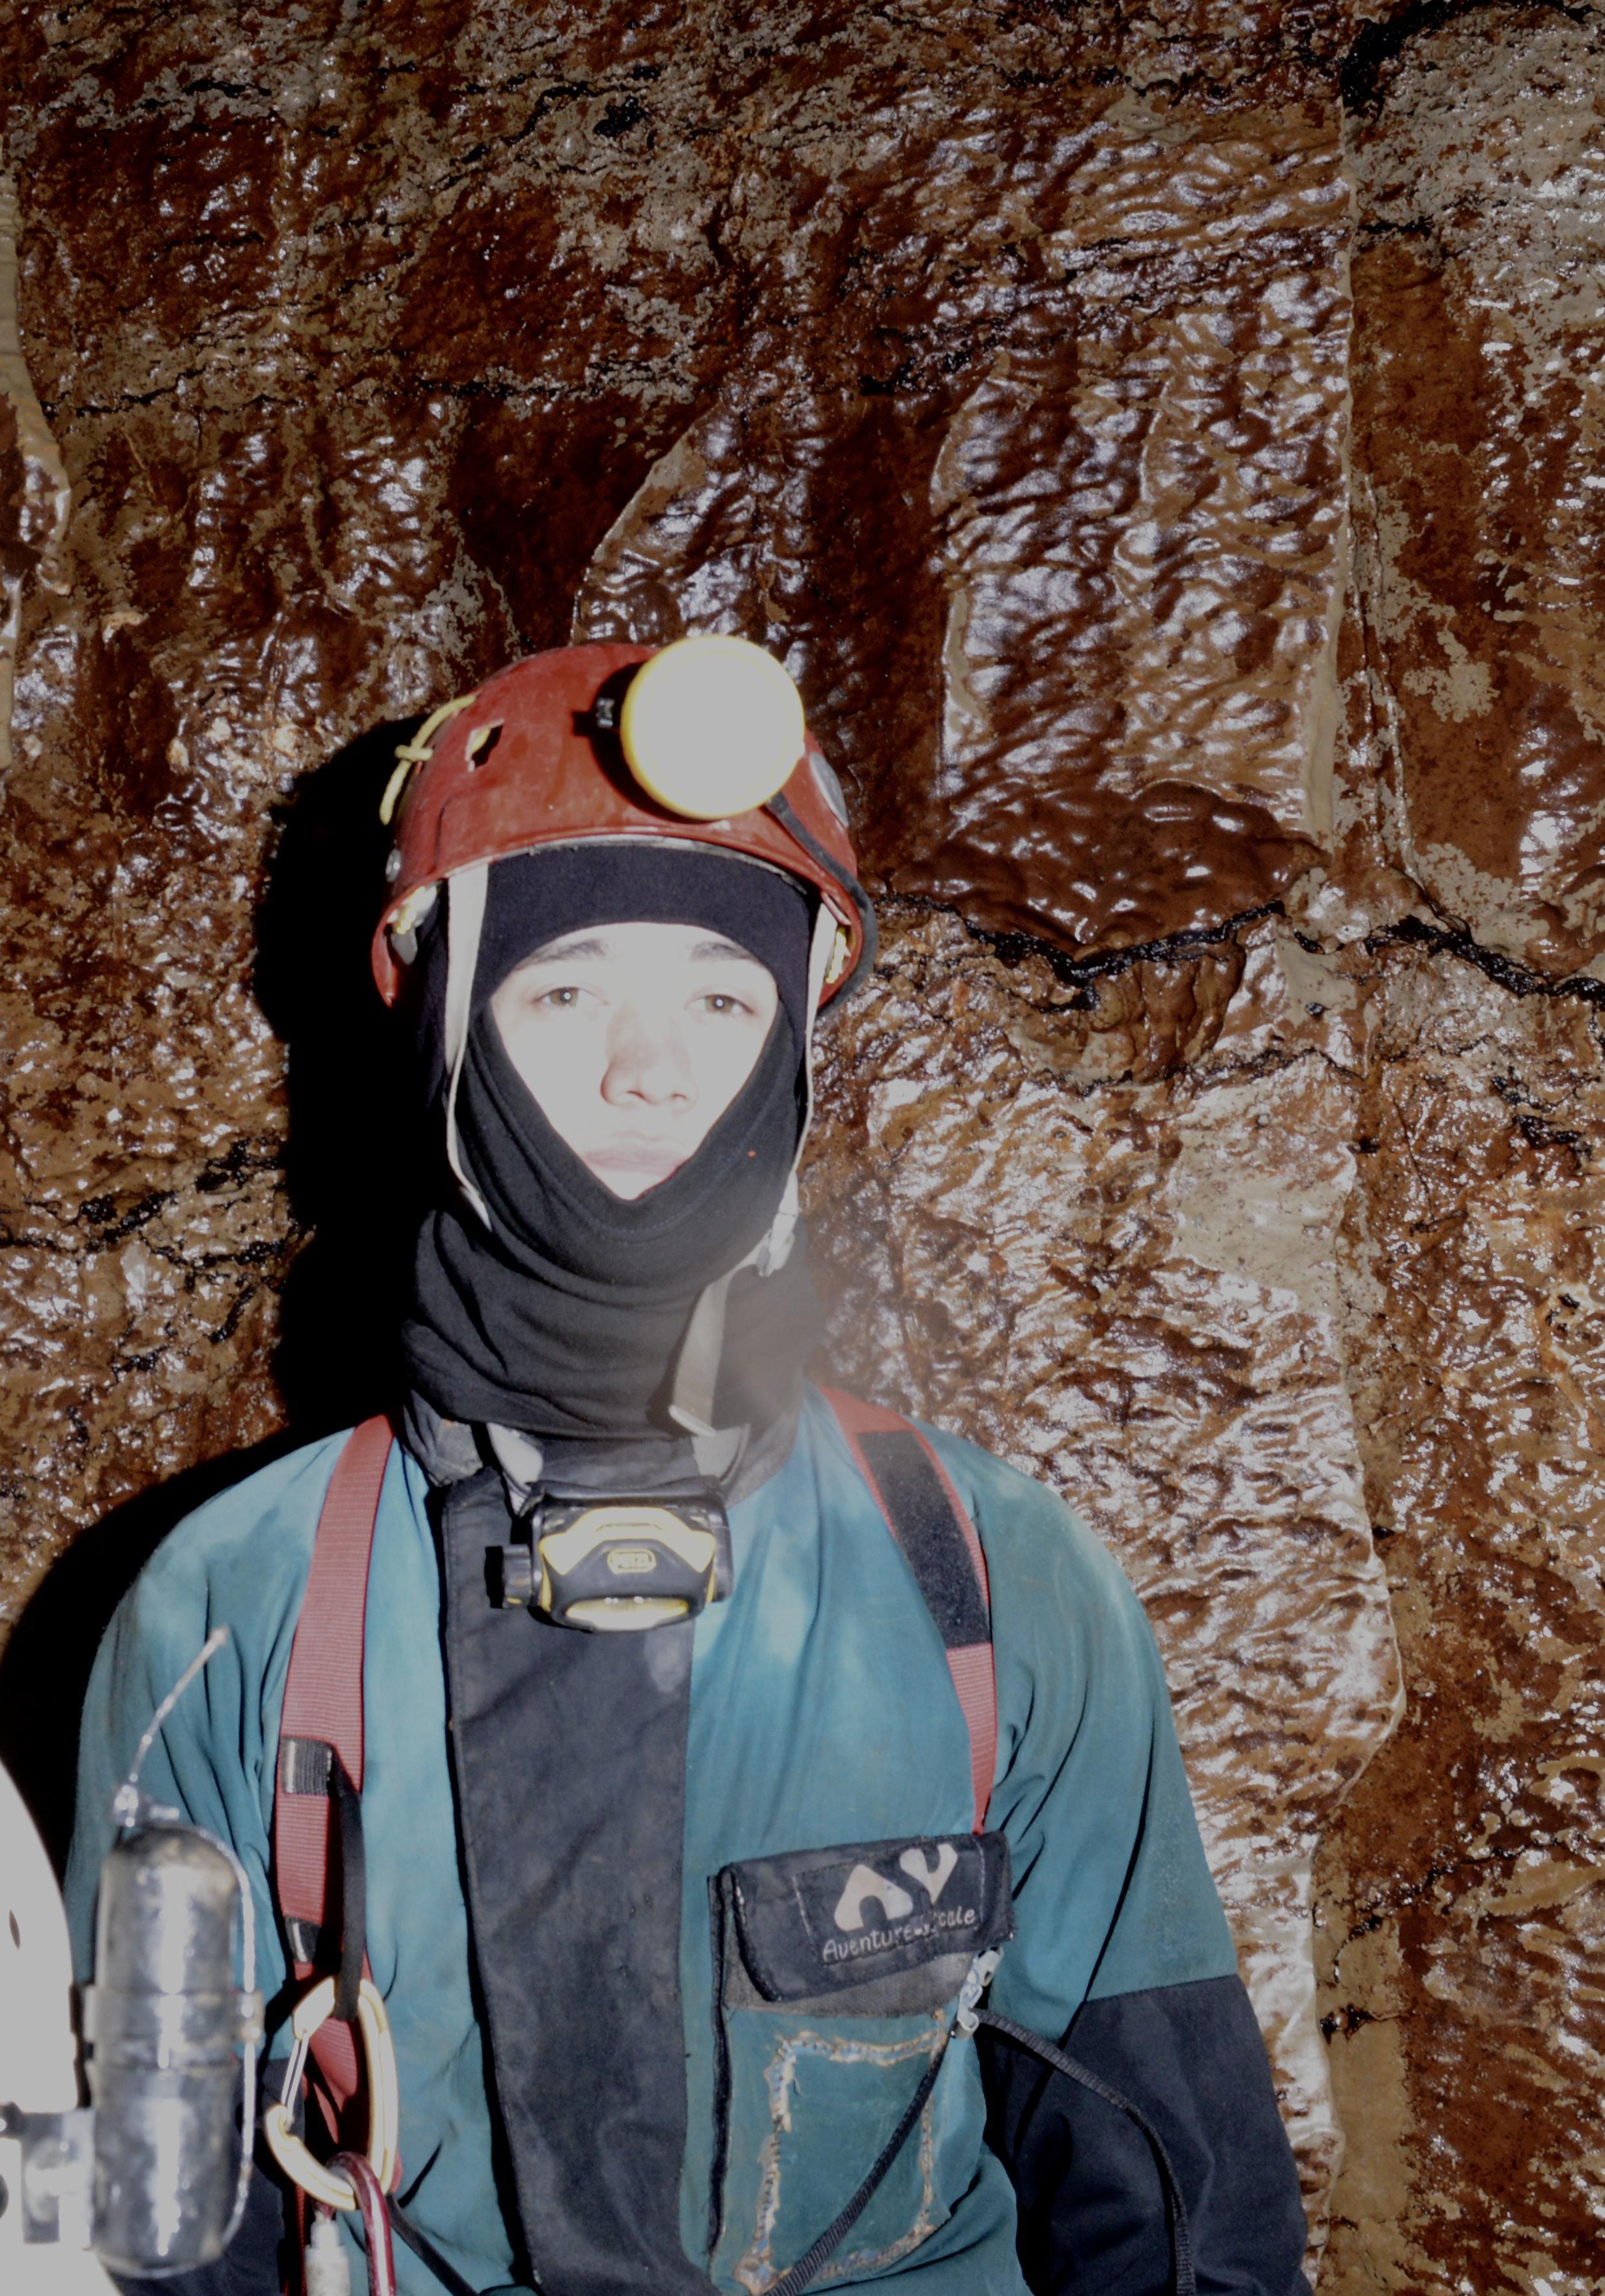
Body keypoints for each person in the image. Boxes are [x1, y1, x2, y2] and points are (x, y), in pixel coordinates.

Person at [67, 639, 1308, 2296]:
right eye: (564, 985)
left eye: (720, 996)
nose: (647, 1067)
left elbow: (1177, 2202)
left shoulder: (988, 1573)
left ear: (794, 1034)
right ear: (444, 1020)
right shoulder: (230, 1608)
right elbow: (155, 2243)